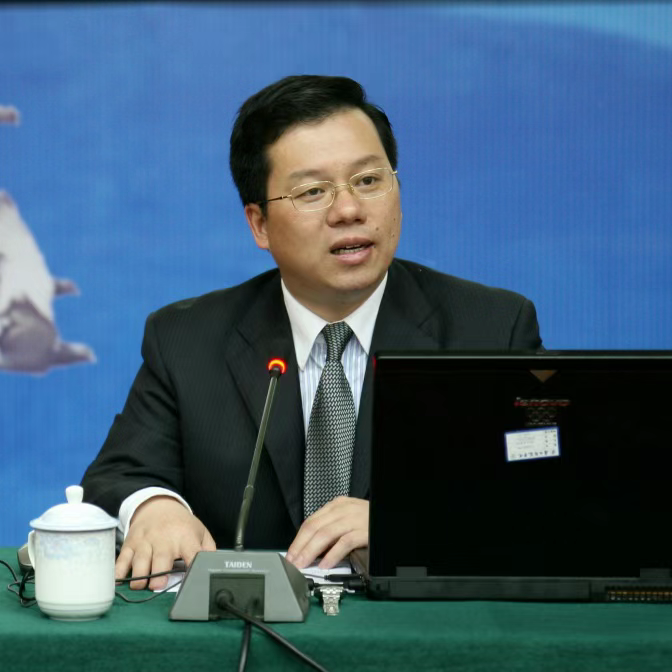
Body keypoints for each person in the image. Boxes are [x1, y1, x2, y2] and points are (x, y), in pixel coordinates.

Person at [81, 75, 542, 590]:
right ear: (259, 224)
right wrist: (155, 509)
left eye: (368, 180)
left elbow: (547, 496)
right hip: (248, 625)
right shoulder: (187, 338)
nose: (348, 210)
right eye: (313, 192)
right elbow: (120, 475)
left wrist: (410, 523)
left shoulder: (491, 328)